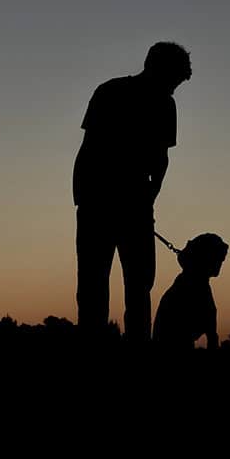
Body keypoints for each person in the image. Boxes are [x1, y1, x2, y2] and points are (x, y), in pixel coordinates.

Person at [73, 42, 192, 341]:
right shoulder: (117, 93)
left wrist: (149, 196)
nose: (174, 89)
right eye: (174, 81)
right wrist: (147, 194)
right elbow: (93, 148)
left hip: (119, 201)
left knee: (123, 286)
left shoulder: (115, 92)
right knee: (107, 286)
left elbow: (160, 158)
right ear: (157, 69)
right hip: (105, 201)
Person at [152, 233, 229, 351]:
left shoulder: (194, 286)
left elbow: (212, 336)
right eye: (217, 258)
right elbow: (211, 337)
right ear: (203, 258)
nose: (220, 263)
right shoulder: (184, 292)